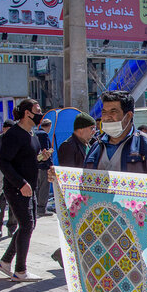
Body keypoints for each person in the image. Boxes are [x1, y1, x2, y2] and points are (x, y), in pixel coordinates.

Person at [0, 100, 44, 282]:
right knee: (26, 225)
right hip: (17, 189)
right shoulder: (14, 134)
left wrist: (41, 157)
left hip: (30, 187)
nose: (40, 114)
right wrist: (20, 183)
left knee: (28, 225)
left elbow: (28, 158)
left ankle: (6, 261)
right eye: (37, 110)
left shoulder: (32, 135)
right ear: (27, 113)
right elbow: (4, 162)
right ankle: (20, 270)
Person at [50, 113, 96, 266]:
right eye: (91, 128)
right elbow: (68, 174)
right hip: (76, 195)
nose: (94, 131)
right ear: (81, 129)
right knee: (79, 228)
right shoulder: (68, 146)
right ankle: (62, 253)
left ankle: (63, 253)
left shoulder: (89, 144)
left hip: (87, 193)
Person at [35, 118, 54, 218]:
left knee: (37, 187)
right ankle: (41, 209)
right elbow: (45, 151)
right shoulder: (44, 135)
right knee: (44, 188)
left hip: (35, 165)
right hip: (43, 166)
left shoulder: (34, 133)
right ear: (49, 126)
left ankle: (35, 208)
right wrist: (50, 165)